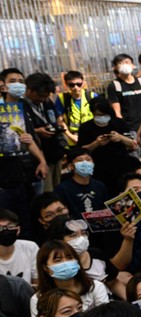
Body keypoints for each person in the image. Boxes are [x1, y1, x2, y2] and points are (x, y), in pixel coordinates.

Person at [0, 68, 48, 232]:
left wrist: (41, 161)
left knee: (27, 221)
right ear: (3, 86)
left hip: (24, 176)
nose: (18, 85)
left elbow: (28, 138)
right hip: (4, 180)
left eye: (21, 82)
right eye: (12, 81)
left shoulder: (23, 108)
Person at [30, 240, 110, 317]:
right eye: (58, 260)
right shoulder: (38, 299)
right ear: (45, 268)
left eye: (70, 258)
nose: (66, 263)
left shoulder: (95, 287)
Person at [54, 149, 109, 218]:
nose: (85, 163)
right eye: (80, 160)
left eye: (88, 160)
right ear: (71, 166)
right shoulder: (62, 189)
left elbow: (105, 208)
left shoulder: (100, 186)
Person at [105, 55, 141, 137]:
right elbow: (117, 112)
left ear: (133, 65)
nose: (124, 65)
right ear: (115, 67)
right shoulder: (114, 86)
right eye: (121, 63)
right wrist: (124, 131)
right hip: (129, 129)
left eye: (127, 62)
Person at [53, 71, 99, 147]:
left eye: (79, 84)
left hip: (94, 136)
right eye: (71, 85)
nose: (75, 87)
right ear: (66, 84)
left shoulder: (92, 96)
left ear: (83, 83)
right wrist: (70, 136)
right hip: (73, 138)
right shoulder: (62, 98)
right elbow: (60, 121)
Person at [0, 208, 38, 285]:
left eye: (10, 226)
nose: (5, 230)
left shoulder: (30, 247)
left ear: (18, 229)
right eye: (0, 228)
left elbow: (38, 283)